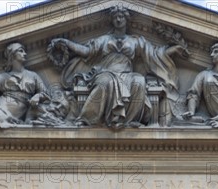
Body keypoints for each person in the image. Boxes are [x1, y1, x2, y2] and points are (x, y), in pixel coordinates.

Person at [48, 5, 187, 128]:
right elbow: (86, 51)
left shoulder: (136, 41)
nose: (118, 19)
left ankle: (130, 120)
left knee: (139, 81)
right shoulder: (104, 40)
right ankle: (87, 118)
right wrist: (67, 43)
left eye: (121, 17)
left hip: (127, 74)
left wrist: (172, 50)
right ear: (112, 20)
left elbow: (155, 54)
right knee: (105, 82)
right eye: (115, 17)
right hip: (107, 72)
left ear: (126, 20)